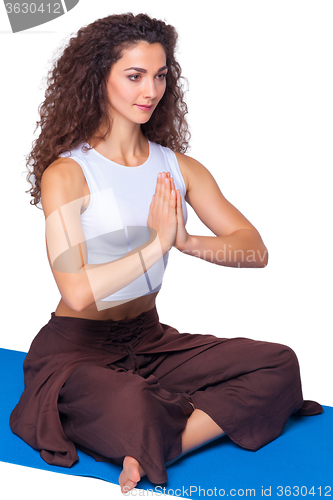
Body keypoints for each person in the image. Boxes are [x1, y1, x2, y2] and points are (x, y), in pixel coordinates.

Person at [10, 12, 322, 494]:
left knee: (277, 363)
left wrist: (188, 241)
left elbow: (254, 251)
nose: (150, 90)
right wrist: (155, 242)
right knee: (131, 401)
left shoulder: (177, 167)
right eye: (134, 76)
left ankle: (157, 443)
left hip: (152, 340)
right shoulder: (68, 174)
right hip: (77, 348)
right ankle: (155, 421)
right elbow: (74, 289)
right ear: (99, 79)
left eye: (159, 76)